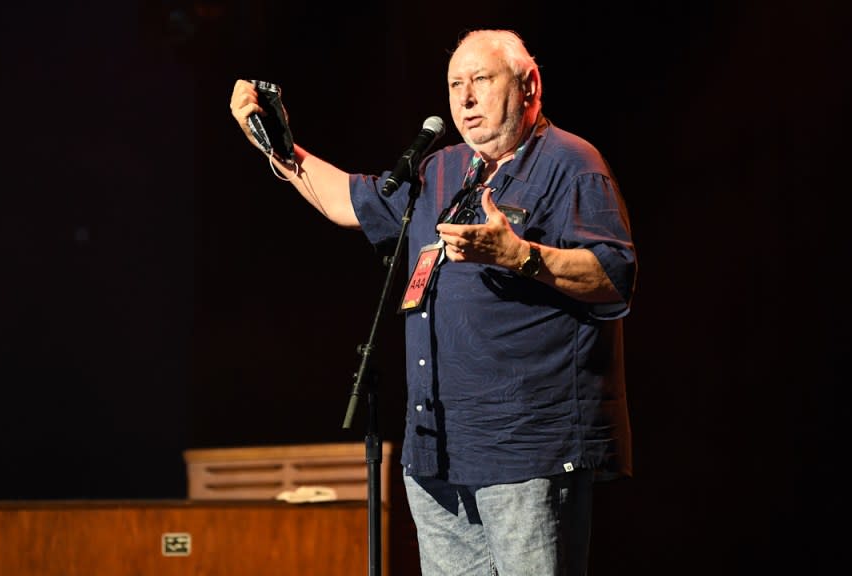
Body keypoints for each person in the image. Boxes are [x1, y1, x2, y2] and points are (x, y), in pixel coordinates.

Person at [230, 29, 637, 576]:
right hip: (438, 453)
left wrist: (519, 255)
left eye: (482, 81)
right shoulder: (439, 170)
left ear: (529, 84)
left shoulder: (571, 163)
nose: (465, 98)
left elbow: (615, 276)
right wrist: (276, 146)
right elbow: (347, 201)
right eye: (455, 85)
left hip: (524, 451)